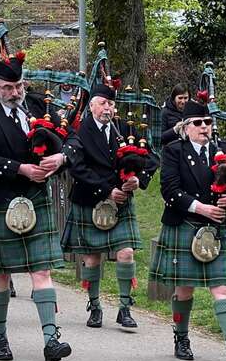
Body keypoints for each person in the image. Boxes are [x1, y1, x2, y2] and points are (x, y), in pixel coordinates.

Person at [0, 49, 72, 361]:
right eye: (8, 88)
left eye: (19, 87)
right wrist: (21, 168)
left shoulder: (41, 106)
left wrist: (61, 157)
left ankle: (51, 339)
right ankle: (0, 336)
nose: (15, 93)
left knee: (42, 270)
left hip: (35, 199)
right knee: (0, 275)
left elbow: (71, 137)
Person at [150, 98, 226, 361]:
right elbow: (170, 190)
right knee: (184, 289)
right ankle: (182, 337)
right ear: (186, 127)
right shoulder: (174, 151)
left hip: (217, 230)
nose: (204, 127)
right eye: (198, 123)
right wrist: (202, 209)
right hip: (185, 224)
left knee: (222, 288)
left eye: (208, 122)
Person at [64, 83, 160, 330]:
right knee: (92, 259)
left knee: (126, 253)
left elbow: (151, 157)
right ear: (92, 105)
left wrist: (140, 179)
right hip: (89, 199)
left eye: (111, 104)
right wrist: (107, 190)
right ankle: (94, 306)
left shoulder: (125, 129)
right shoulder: (79, 131)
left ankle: (125, 307)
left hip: (121, 205)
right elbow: (77, 167)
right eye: (103, 103)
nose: (108, 108)